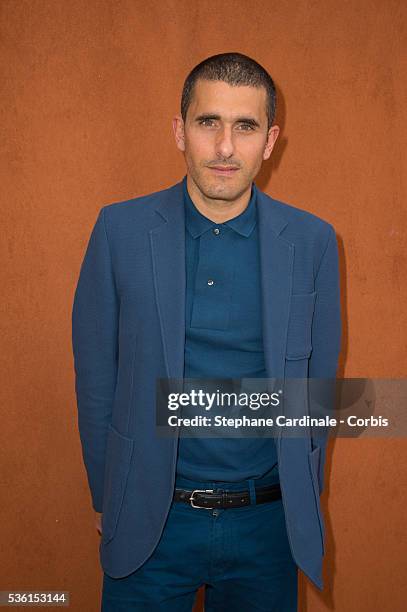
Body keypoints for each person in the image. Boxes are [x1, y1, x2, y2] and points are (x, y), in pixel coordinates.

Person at [72, 52, 341, 611]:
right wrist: (113, 496)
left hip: (267, 529)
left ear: (270, 141)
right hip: (152, 521)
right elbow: (96, 375)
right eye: (207, 122)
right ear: (180, 131)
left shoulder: (313, 242)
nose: (224, 147)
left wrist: (300, 496)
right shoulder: (119, 230)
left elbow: (317, 389)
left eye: (245, 127)